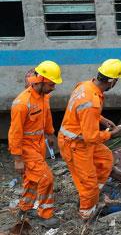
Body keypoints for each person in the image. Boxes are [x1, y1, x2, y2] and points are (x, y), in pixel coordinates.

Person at [58, 59, 121, 220]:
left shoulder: (85, 86)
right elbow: (92, 137)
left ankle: (94, 196)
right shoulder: (92, 101)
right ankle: (86, 216)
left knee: (106, 159)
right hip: (75, 144)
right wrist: (111, 133)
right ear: (112, 81)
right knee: (88, 183)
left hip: (80, 140)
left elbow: (83, 111)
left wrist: (102, 120)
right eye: (117, 80)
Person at [9, 61, 62, 227]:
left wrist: (50, 134)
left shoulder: (44, 97)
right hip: (26, 148)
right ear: (42, 81)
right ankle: (45, 215)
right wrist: (18, 159)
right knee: (46, 178)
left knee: (32, 179)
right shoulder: (22, 104)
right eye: (52, 84)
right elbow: (15, 133)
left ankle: (24, 208)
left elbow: (46, 116)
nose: (54, 87)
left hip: (38, 145)